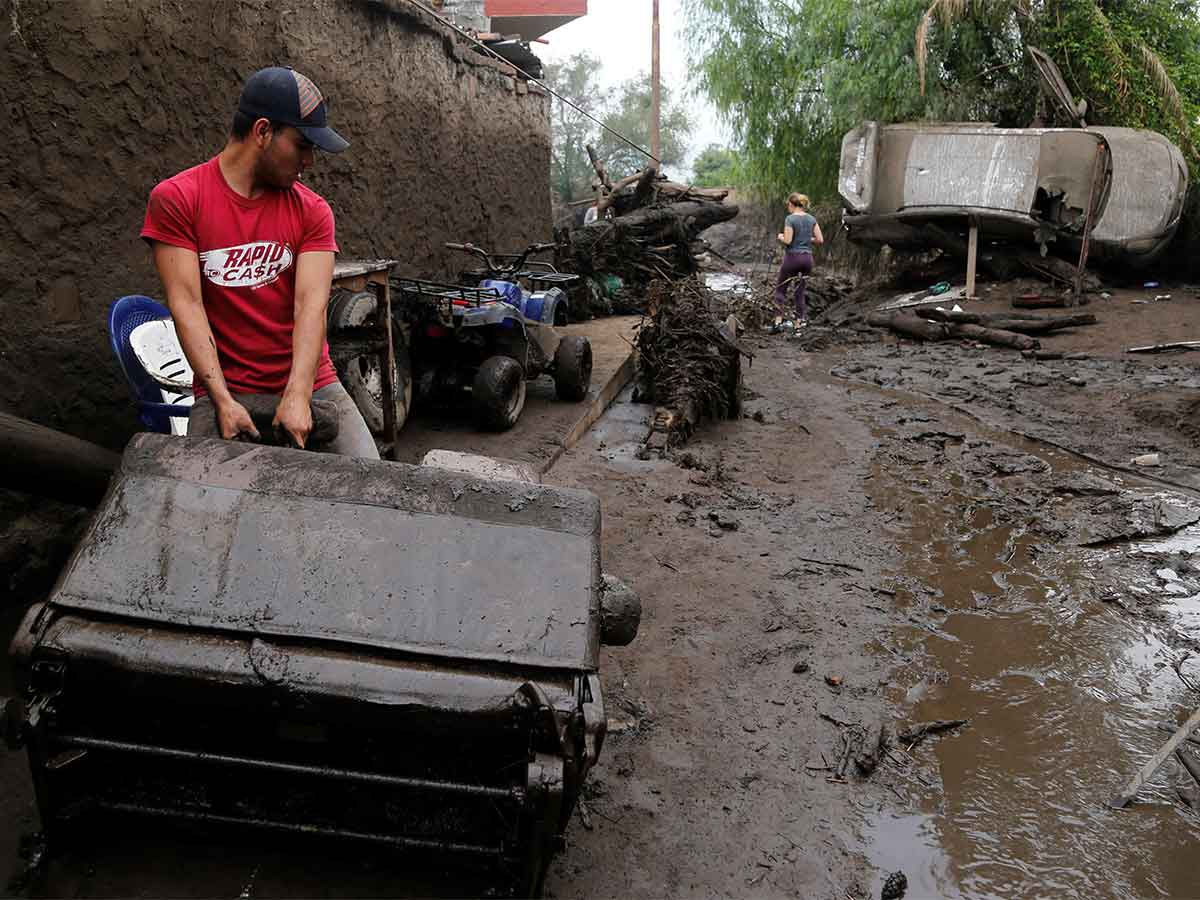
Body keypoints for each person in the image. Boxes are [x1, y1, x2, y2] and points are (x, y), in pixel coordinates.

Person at [140, 65, 379, 458]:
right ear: (263, 132)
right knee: (202, 502)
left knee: (372, 483)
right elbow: (186, 304)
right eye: (302, 145)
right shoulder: (178, 199)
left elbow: (310, 306)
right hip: (223, 386)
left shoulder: (313, 211)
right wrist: (221, 398)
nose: (309, 161)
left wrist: (299, 394)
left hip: (312, 382)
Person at [773, 192, 824, 329]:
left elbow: (788, 241)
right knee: (799, 292)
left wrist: (780, 237)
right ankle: (798, 325)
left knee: (780, 289)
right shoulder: (812, 219)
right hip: (807, 259)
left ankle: (778, 322)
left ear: (791, 204)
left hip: (792, 258)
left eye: (788, 205)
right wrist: (807, 239)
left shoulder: (790, 219)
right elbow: (820, 240)